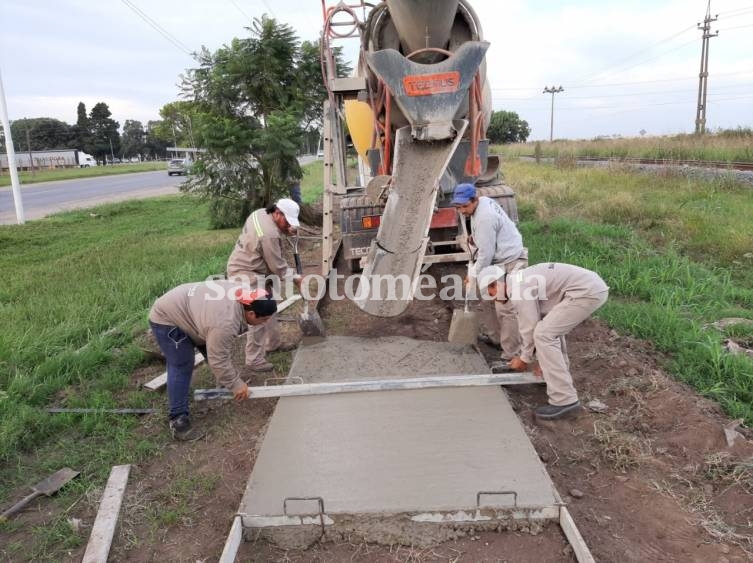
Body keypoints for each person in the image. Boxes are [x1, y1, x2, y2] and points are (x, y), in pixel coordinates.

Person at [478, 263, 609, 420]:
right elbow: (538, 319)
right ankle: (553, 376)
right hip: (589, 286)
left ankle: (565, 400)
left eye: (492, 295)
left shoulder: (519, 289)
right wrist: (542, 361)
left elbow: (529, 327)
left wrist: (524, 358)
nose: (495, 301)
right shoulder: (520, 281)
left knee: (543, 334)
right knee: (549, 329)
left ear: (495, 284)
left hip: (585, 292)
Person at [149, 281, 277, 440]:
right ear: (251, 314)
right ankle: (178, 421)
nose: (265, 322)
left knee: (215, 345)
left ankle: (225, 384)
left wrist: (230, 381)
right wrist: (236, 384)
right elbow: (218, 359)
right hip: (167, 317)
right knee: (182, 363)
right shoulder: (225, 322)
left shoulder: (246, 295)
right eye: (264, 319)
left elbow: (217, 348)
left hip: (192, 309)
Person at [452, 183, 528, 366]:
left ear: (475, 200)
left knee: (505, 308)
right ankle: (495, 338)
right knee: (487, 299)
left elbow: (486, 255)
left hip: (510, 261)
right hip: (497, 260)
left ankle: (511, 354)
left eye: (465, 206)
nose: (462, 210)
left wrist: (472, 275)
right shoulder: (484, 202)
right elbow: (487, 243)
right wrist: (476, 237)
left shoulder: (484, 218)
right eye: (458, 206)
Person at [226, 199, 302, 372]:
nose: (289, 225)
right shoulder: (269, 234)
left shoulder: (260, 213)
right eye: (287, 222)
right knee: (259, 315)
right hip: (246, 272)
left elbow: (272, 252)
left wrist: (285, 230)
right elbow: (278, 266)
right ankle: (254, 359)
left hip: (258, 268)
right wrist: (297, 278)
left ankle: (273, 343)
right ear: (277, 213)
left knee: (270, 306)